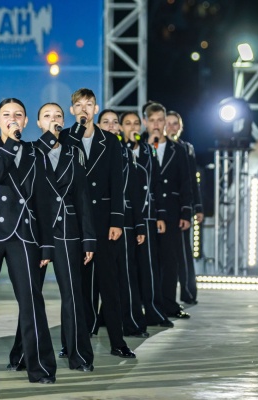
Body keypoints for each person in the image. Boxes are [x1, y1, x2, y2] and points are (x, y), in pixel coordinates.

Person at [0, 98, 57, 384]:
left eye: (18, 115)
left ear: (26, 121)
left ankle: (40, 368)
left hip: (25, 234)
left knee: (32, 301)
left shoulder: (35, 153)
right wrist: (10, 144)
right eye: (6, 115)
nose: (13, 118)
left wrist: (46, 244)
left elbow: (43, 200)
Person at [8, 102, 97, 372]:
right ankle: (22, 355)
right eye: (47, 116)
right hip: (36, 232)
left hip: (68, 231)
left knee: (72, 295)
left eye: (58, 115)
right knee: (31, 297)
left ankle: (79, 355)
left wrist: (88, 239)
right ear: (38, 123)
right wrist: (49, 140)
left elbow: (83, 198)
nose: (53, 119)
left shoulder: (73, 154)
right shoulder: (29, 151)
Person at [59, 88, 135, 359]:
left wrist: (117, 220)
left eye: (89, 104)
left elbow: (117, 182)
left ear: (96, 108)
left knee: (109, 284)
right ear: (72, 110)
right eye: (79, 105)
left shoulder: (110, 140)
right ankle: (71, 343)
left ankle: (117, 341)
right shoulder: (65, 137)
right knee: (75, 287)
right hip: (74, 221)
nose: (84, 109)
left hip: (103, 221)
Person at [120, 111, 173, 330]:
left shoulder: (148, 150)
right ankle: (130, 315)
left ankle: (154, 311)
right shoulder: (117, 150)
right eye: (127, 123)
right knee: (128, 268)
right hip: (125, 216)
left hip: (147, 214)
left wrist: (161, 214)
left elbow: (156, 183)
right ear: (121, 128)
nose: (132, 127)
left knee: (149, 266)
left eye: (135, 123)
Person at [99, 109, 148, 337]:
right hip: (94, 223)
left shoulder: (125, 153)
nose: (111, 125)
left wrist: (139, 224)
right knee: (94, 279)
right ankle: (92, 324)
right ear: (98, 126)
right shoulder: (89, 150)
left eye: (114, 122)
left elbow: (134, 192)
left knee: (126, 275)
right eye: (105, 122)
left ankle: (131, 322)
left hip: (123, 223)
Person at [143, 102, 192, 320]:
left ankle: (169, 304)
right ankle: (147, 304)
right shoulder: (138, 147)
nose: (156, 124)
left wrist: (186, 212)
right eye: (152, 120)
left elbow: (186, 183)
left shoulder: (177, 150)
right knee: (147, 260)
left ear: (165, 122)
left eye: (160, 120)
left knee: (170, 259)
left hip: (172, 211)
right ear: (145, 122)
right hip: (146, 212)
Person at [165, 111, 204, 305]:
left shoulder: (186, 148)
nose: (172, 127)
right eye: (169, 123)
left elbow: (191, 180)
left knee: (183, 252)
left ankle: (188, 292)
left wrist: (197, 207)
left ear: (180, 127)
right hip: (159, 206)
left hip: (181, 206)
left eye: (175, 124)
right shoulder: (154, 145)